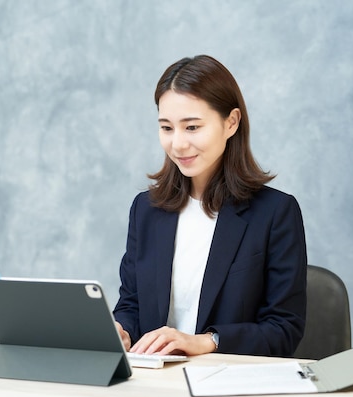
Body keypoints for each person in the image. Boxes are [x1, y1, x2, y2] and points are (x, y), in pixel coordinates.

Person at [113, 55, 307, 358]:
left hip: (229, 388)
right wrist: (121, 331)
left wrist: (207, 341)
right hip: (155, 384)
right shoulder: (146, 210)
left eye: (191, 127)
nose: (177, 144)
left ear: (231, 123)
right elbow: (132, 305)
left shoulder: (275, 213)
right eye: (167, 128)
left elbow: (283, 329)